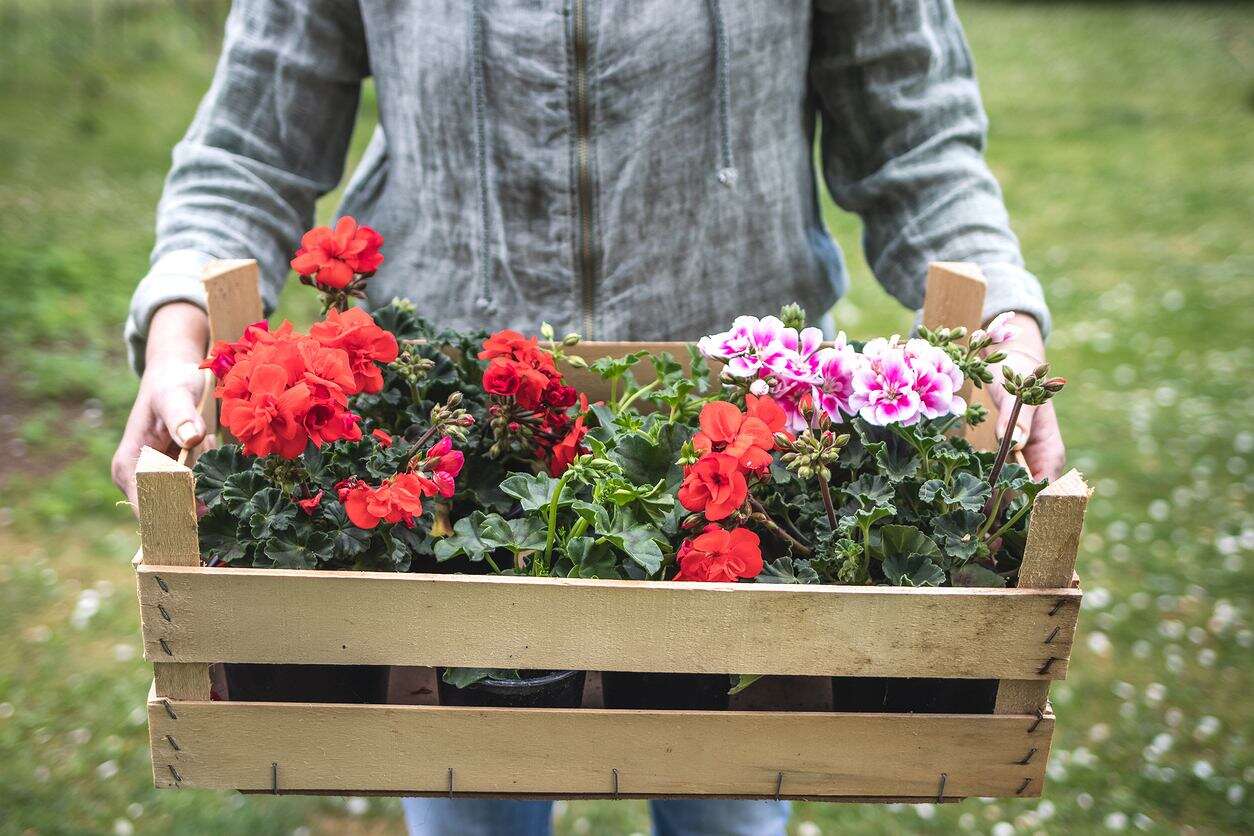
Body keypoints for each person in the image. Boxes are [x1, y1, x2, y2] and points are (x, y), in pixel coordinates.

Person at [112, 1, 1065, 833]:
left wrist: (1007, 330)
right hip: (458, 446)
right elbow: (248, 147)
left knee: (729, 794)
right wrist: (174, 333)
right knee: (468, 788)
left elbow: (919, 145)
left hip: (745, 444)